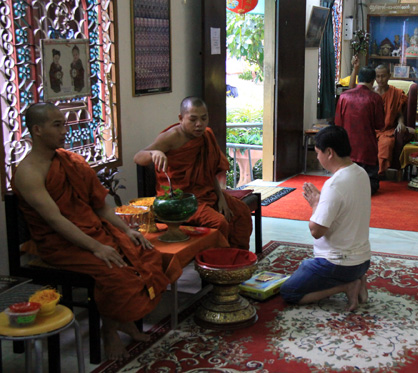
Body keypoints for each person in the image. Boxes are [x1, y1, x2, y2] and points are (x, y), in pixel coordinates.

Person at [13, 103, 179, 361]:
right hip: (60, 244)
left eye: (64, 124)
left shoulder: (72, 162)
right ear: (37, 130)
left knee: (146, 255)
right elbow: (56, 221)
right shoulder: (28, 172)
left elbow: (100, 206)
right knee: (116, 273)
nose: (64, 131)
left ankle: (123, 321)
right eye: (57, 125)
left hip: (93, 231)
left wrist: (126, 231)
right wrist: (97, 247)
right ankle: (109, 332)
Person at [134, 96, 252, 250]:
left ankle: (236, 255)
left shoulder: (206, 135)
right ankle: (217, 263)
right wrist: (154, 153)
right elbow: (138, 157)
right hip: (180, 199)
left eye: (204, 118)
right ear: (181, 118)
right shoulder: (172, 137)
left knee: (241, 212)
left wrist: (221, 197)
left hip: (205, 193)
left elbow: (210, 173)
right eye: (193, 119)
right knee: (219, 222)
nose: (199, 124)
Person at [279, 126, 371, 311]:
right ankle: (358, 278)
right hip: (362, 261)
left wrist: (315, 206)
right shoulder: (361, 173)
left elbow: (316, 231)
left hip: (338, 264)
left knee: (289, 292)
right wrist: (322, 204)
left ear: (329, 152)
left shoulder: (334, 184)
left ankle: (347, 286)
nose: (317, 158)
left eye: (318, 153)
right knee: (306, 268)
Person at [349, 60, 412, 176]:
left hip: (387, 130)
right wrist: (355, 68)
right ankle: (363, 174)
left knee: (386, 144)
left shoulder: (396, 93)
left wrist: (401, 123)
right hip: (371, 130)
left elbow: (398, 113)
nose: (380, 79)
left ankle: (378, 173)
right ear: (374, 78)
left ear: (389, 76)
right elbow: (352, 89)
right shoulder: (371, 92)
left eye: (383, 76)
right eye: (377, 76)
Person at [335, 65, 385, 194]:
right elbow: (380, 125)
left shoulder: (344, 97)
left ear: (358, 79)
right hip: (367, 148)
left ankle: (348, 188)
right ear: (372, 81)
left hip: (347, 147)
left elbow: (338, 123)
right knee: (371, 185)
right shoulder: (375, 98)